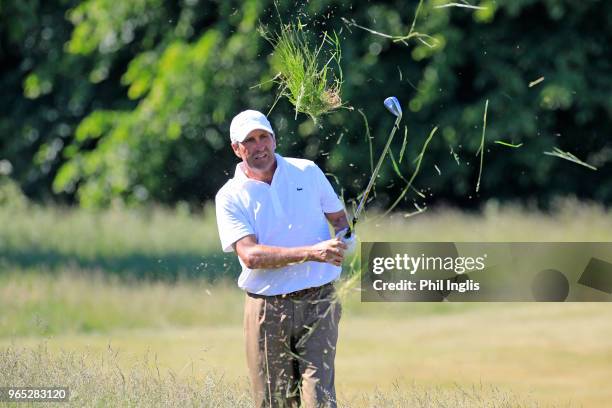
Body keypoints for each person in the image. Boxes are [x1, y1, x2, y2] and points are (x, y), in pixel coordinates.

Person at [215, 109, 355, 407]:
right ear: (236, 149)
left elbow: (340, 221)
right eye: (249, 141)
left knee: (321, 399)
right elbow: (251, 256)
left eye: (263, 137)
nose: (258, 146)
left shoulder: (307, 171)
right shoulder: (230, 196)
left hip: (320, 302)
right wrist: (312, 252)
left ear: (274, 139)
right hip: (267, 308)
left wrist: (345, 240)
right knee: (274, 401)